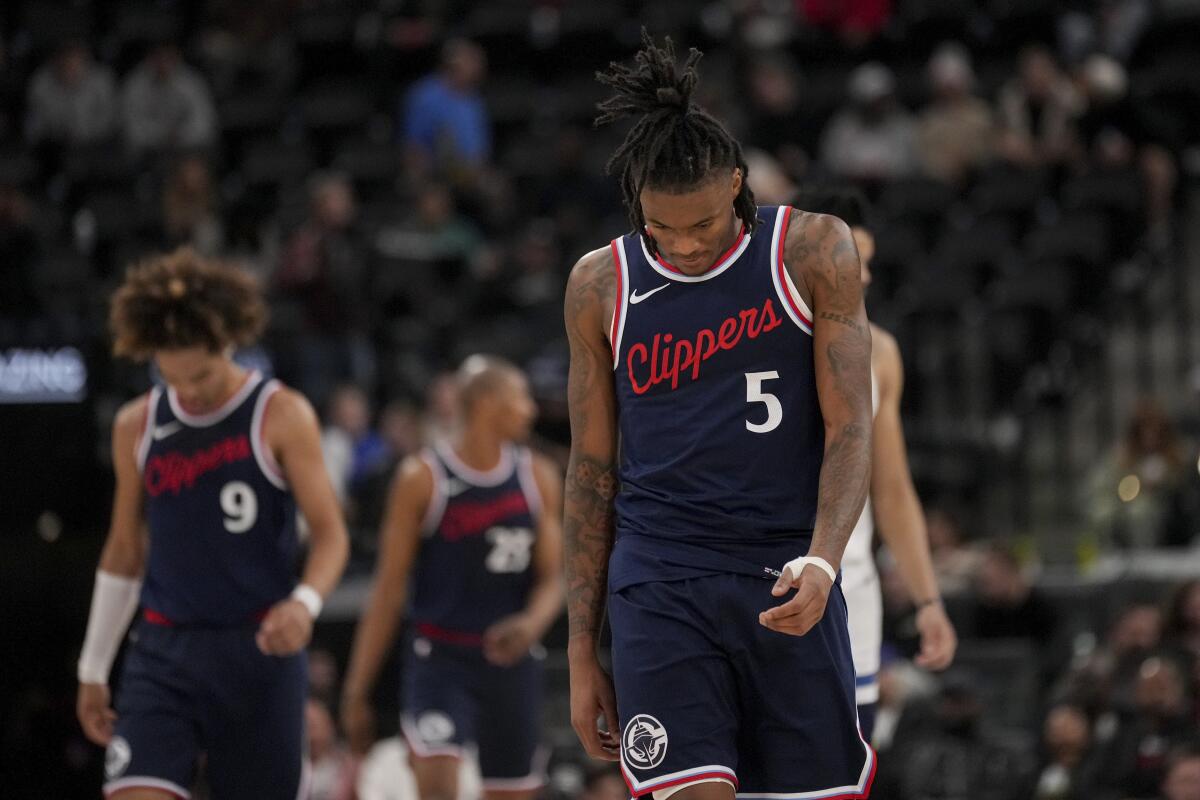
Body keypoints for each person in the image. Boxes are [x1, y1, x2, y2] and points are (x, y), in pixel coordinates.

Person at [565, 32, 876, 799]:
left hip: (783, 572)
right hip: (661, 580)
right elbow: (591, 471)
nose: (685, 244)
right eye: (661, 227)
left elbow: (850, 427)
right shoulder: (600, 284)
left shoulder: (813, 251)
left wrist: (825, 558)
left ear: (737, 183)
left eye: (703, 224)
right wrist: (580, 651)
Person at [75, 248, 349, 798]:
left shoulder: (281, 413)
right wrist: (94, 665)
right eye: (173, 377)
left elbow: (330, 536)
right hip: (164, 651)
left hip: (258, 652)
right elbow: (125, 550)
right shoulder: (137, 424)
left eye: (200, 374)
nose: (190, 391)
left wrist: (305, 603)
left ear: (227, 343)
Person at [341, 355, 564, 800]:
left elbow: (553, 578)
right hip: (440, 662)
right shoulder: (422, 477)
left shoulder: (537, 475)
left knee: (514, 790)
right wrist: (356, 689)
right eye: (519, 397)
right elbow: (387, 591)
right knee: (438, 784)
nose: (530, 409)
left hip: (510, 665)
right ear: (485, 403)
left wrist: (532, 623)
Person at [792, 186, 957, 739]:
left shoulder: (880, 352)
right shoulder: (744, 340)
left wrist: (928, 599)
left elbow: (891, 488)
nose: (861, 275)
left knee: (840, 776)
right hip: (760, 582)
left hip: (850, 593)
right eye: (849, 256)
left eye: (867, 259)